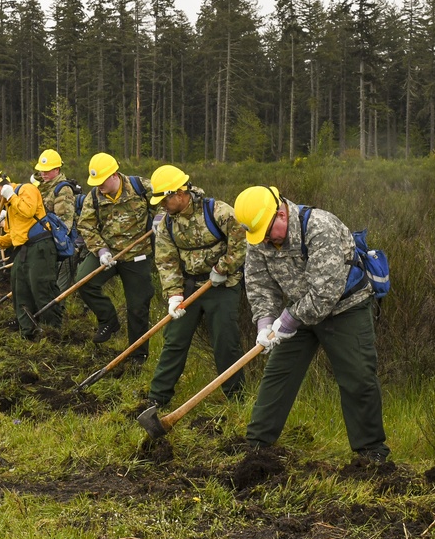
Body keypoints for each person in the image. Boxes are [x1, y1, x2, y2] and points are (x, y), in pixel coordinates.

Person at [232, 185, 390, 463]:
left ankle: (371, 452)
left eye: (269, 233)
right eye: (260, 237)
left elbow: (324, 293)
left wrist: (287, 321)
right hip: (297, 311)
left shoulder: (320, 227)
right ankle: (257, 446)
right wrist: (265, 324)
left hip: (345, 308)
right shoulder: (258, 235)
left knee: (358, 377)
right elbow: (259, 283)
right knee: (278, 374)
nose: (265, 241)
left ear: (281, 214)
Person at [144, 165, 246, 412]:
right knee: (174, 339)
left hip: (223, 286)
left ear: (180, 192)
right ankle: (157, 398)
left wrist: (223, 268)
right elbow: (166, 261)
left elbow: (241, 244)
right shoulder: (166, 225)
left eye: (165, 199)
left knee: (225, 341)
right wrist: (174, 295)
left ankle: (236, 398)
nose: (162, 206)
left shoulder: (218, 212)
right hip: (190, 286)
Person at [75, 153, 154, 363]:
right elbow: (86, 226)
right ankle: (108, 320)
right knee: (84, 281)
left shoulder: (140, 187)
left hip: (138, 255)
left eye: (101, 181)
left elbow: (166, 202)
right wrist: (101, 251)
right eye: (95, 182)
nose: (98, 185)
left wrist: (162, 217)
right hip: (108, 253)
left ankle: (137, 355)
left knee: (138, 307)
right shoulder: (93, 197)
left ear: (114, 175)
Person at [0, 169, 63, 340]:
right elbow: (14, 235)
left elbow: (28, 211)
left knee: (41, 288)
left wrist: (11, 197)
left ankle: (53, 331)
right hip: (23, 250)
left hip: (41, 247)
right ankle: (28, 332)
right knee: (19, 289)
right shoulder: (8, 204)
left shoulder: (27, 189)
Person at [34, 149, 78, 295]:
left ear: (57, 169)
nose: (43, 174)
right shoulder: (41, 187)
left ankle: (59, 312)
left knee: (59, 286)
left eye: (47, 170)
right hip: (44, 241)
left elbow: (64, 225)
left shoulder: (63, 189)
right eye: (41, 170)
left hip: (60, 245)